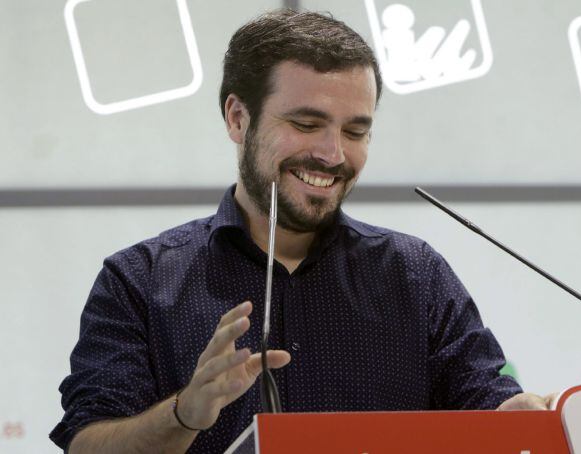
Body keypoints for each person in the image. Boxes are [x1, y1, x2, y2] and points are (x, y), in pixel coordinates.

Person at [50, 9, 550, 454]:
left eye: (355, 131)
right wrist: (184, 412)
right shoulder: (138, 281)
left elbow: (488, 402)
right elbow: (89, 441)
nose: (333, 155)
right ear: (237, 118)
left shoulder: (415, 274)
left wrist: (518, 419)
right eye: (307, 124)